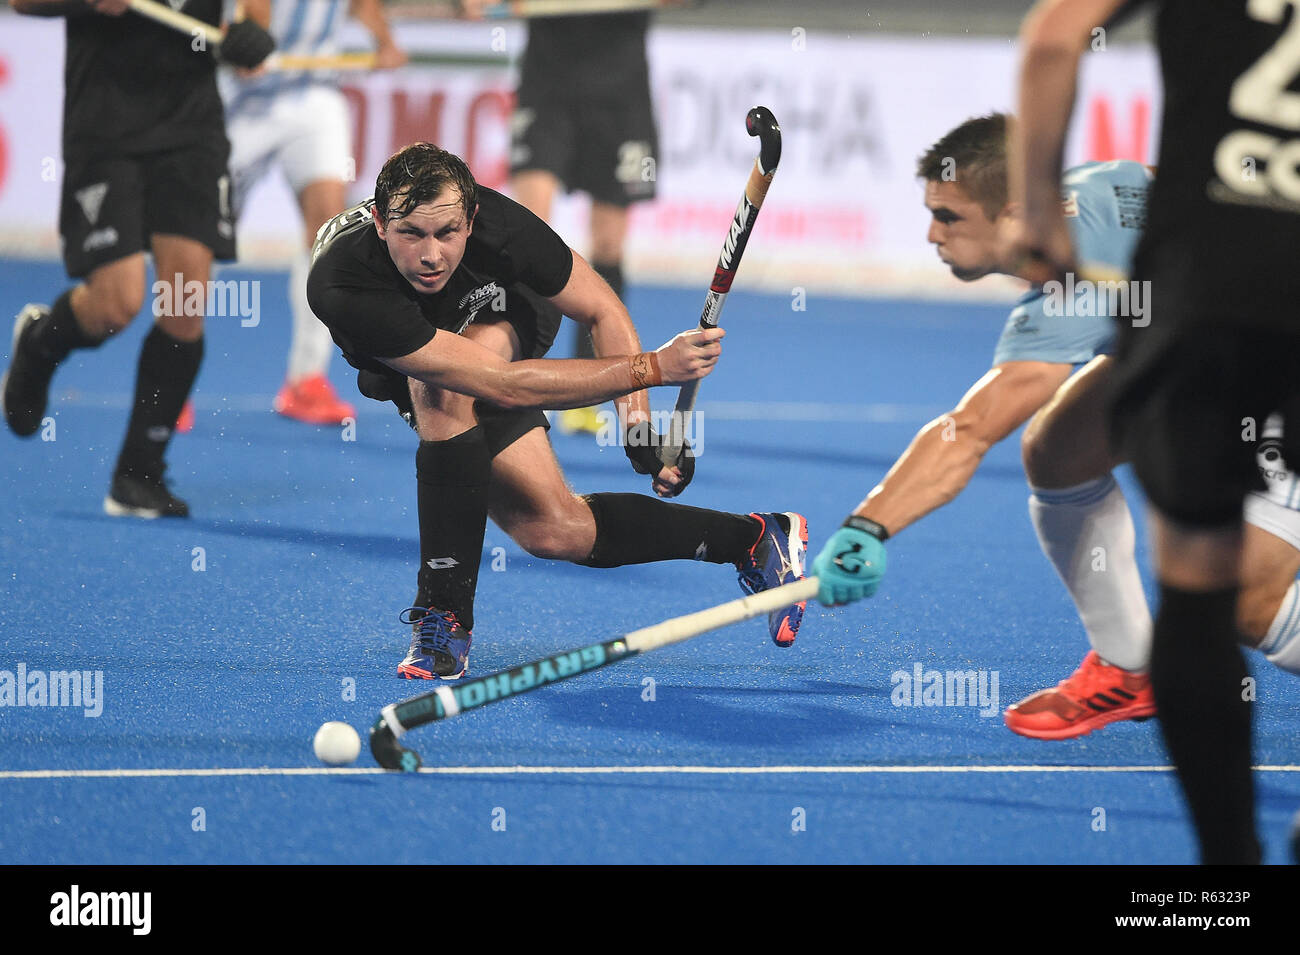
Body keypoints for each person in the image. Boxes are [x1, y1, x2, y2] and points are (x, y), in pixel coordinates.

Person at [806, 114, 1300, 743]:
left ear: (1012, 212)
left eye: (950, 217)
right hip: (1209, 342)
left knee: (1247, 606)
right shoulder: (1086, 194)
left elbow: (975, 428)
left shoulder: (1075, 261)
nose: (932, 234)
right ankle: (1128, 670)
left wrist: (866, 529)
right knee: (1061, 450)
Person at [307, 142, 807, 679]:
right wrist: (654, 367)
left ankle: (443, 619)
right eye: (412, 234)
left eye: (448, 233)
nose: (432, 255)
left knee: (441, 394)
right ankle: (756, 539)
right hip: (418, 355)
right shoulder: (343, 283)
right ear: (381, 223)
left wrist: (638, 427)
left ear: (471, 220)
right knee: (555, 530)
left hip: (503, 307)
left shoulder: (501, 225)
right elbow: (504, 386)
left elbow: (600, 308)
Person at [1008, 0, 1300, 863]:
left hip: (1207, 281)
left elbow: (1057, 35)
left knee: (1200, 588)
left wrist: (1040, 211)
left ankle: (1228, 874)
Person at [2, 0, 274, 516]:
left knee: (185, 305)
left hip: (192, 134)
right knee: (115, 305)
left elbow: (252, 20)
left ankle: (138, 474)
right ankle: (39, 346)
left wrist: (250, 39)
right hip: (105, 130)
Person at [465, 2, 658, 435]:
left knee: (609, 244)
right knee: (527, 230)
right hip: (547, 86)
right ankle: (497, 378)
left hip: (620, 95)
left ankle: (586, 395)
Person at [222, 0, 406, 426]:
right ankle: (174, 367)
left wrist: (386, 41)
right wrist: (254, 34)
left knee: (327, 230)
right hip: (244, 97)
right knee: (203, 238)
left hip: (314, 94)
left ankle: (305, 380)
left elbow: (360, 3)